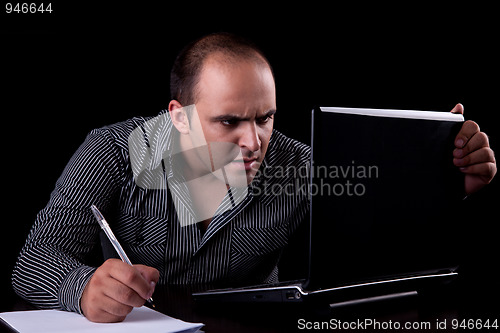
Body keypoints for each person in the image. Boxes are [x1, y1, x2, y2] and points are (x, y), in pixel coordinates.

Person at [12, 32, 497, 323]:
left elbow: (383, 230)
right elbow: (34, 258)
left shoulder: (298, 166)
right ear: (178, 118)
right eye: (228, 122)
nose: (253, 141)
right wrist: (81, 288)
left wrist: (447, 184)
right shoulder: (114, 152)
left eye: (264, 118)